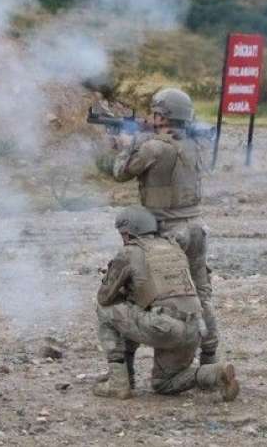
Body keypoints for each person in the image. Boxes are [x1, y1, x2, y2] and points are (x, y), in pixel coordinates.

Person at [112, 88, 218, 365]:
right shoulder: (197, 143)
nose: (151, 116)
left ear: (162, 115)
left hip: (166, 232)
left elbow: (121, 173)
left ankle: (124, 368)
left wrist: (126, 146)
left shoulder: (153, 148)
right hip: (195, 226)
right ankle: (210, 357)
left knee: (139, 294)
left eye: (155, 113)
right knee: (201, 293)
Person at [93, 206, 239, 401]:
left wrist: (118, 283)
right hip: (193, 328)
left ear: (127, 233)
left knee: (105, 309)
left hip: (164, 327)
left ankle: (118, 381)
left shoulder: (129, 252)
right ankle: (214, 373)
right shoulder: (174, 248)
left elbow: (105, 296)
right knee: (164, 383)